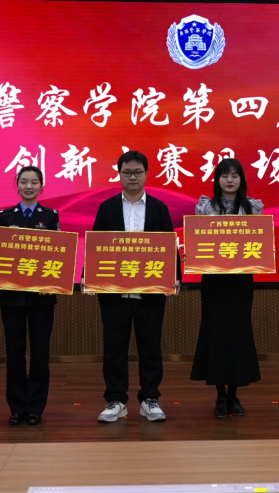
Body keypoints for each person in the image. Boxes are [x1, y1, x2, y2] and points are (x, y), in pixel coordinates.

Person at [91, 150, 175, 424]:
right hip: (114, 292)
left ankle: (150, 399)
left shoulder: (159, 208)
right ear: (119, 174)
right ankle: (116, 400)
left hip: (150, 292)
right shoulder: (107, 208)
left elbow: (169, 245)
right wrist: (88, 275)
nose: (132, 177)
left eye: (138, 172)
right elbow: (96, 246)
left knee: (150, 347)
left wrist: (174, 276)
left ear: (146, 174)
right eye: (127, 172)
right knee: (114, 348)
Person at [190, 158, 262, 417]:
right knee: (216, 333)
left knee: (238, 334)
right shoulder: (205, 207)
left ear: (241, 179)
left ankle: (234, 395)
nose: (229, 180)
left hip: (240, 281)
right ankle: (220, 396)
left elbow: (260, 243)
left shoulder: (253, 207)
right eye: (224, 175)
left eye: (234, 175)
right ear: (217, 180)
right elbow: (197, 241)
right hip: (214, 280)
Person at [0, 166, 60, 426]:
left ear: (42, 186)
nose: (29, 186)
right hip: (11, 297)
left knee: (40, 352)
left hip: (42, 297)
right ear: (17, 185)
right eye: (24, 182)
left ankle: (35, 407)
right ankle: (16, 407)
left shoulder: (51, 216)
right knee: (14, 352)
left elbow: (59, 253)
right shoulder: (5, 216)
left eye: (34, 182)